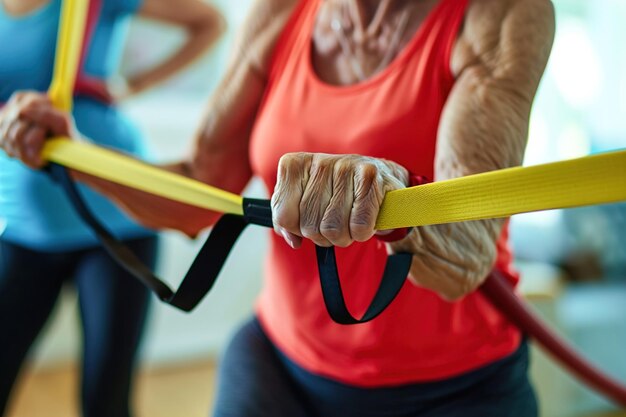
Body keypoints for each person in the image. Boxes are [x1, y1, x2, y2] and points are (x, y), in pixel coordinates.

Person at [0, 0, 556, 415]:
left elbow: (466, 256)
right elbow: (197, 191)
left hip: (455, 384)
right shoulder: (282, 13)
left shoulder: (501, 15)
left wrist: (393, 198)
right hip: (282, 361)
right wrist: (75, 153)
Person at [0, 0, 223, 416]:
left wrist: (128, 86)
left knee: (105, 398)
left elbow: (209, 23)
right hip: (22, 224)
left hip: (117, 223)